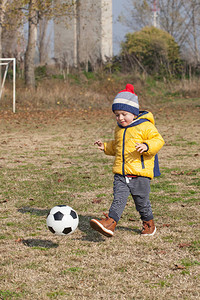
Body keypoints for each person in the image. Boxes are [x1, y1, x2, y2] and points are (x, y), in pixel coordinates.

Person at [90, 84, 164, 237]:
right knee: (118, 199)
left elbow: (158, 140)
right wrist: (105, 146)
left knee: (142, 203)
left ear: (134, 113)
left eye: (124, 114)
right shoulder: (119, 129)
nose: (120, 118)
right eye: (117, 115)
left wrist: (146, 145)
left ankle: (149, 224)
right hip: (121, 173)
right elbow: (117, 147)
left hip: (140, 174)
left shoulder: (145, 126)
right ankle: (110, 223)